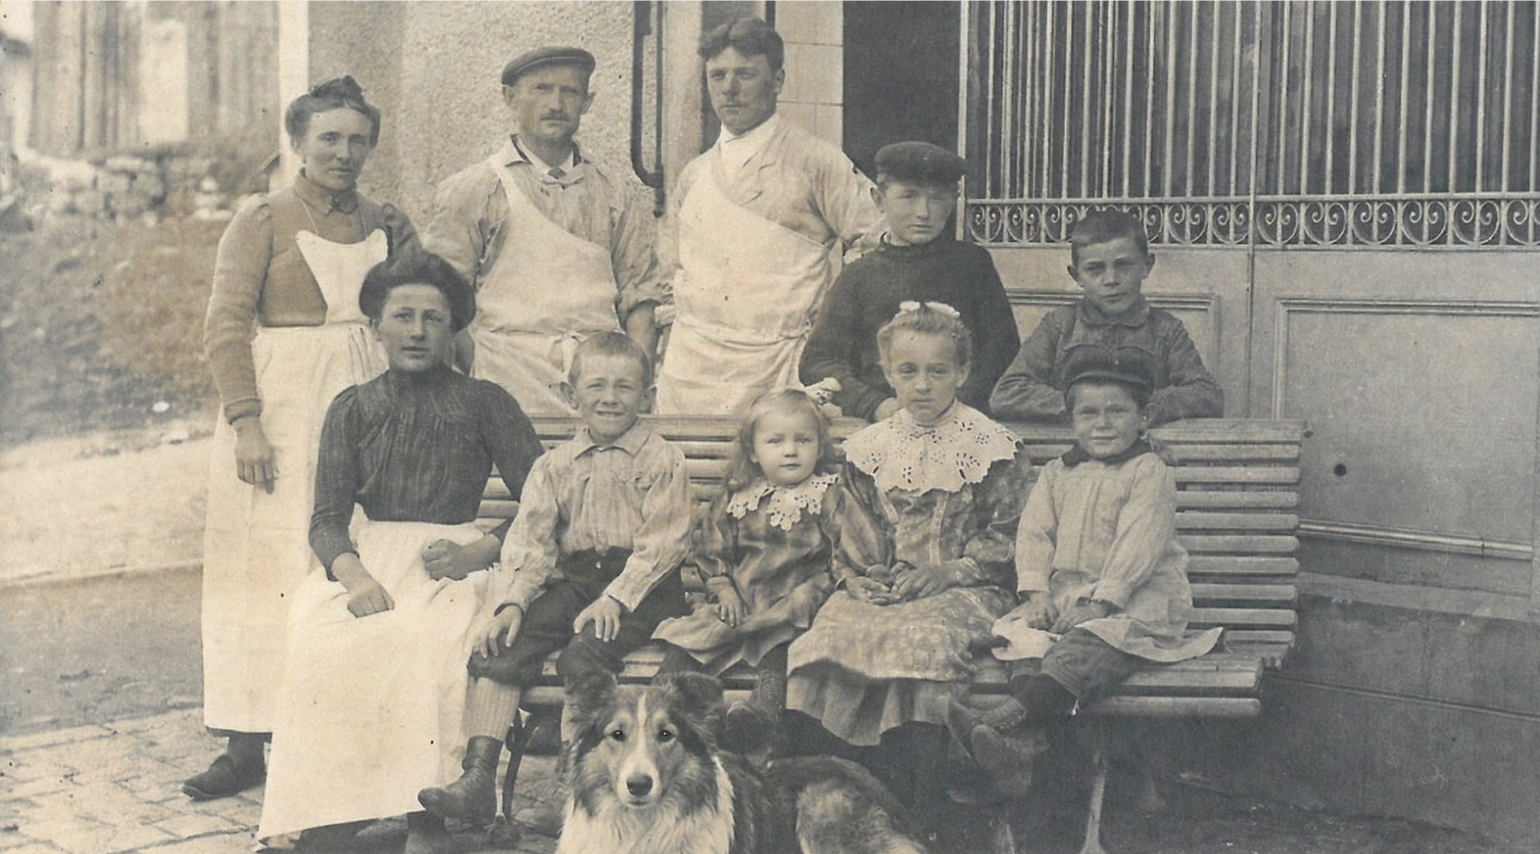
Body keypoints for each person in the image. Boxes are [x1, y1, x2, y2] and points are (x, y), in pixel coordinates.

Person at [254, 253, 544, 852]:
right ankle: (334, 807)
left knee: (428, 638)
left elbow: (547, 504)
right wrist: (355, 577)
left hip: (454, 562)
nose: (417, 332)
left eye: (433, 319)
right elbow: (327, 521)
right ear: (375, 327)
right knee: (318, 632)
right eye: (402, 316)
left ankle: (426, 811)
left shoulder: (485, 401)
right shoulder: (353, 407)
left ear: (452, 328)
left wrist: (478, 552)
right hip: (372, 560)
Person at [191, 76, 419, 801]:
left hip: (372, 395)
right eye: (329, 138)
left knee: (359, 548)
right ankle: (245, 739)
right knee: (266, 562)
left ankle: (343, 730)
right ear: (297, 142)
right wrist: (246, 421)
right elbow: (225, 325)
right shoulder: (262, 219)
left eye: (358, 140)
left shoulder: (388, 221)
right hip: (285, 406)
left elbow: (426, 302)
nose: (343, 153)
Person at [415, 332, 692, 837]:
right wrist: (513, 603)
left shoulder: (662, 460)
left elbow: (664, 543)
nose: (610, 397)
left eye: (625, 387)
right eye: (596, 385)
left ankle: (574, 790)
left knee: (584, 652)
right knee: (503, 644)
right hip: (579, 582)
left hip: (644, 590)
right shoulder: (554, 466)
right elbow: (532, 541)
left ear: (647, 397)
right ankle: (478, 778)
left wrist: (616, 598)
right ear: (571, 395)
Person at [785, 302, 1033, 812]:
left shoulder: (990, 447)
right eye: (908, 371)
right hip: (887, 589)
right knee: (826, 637)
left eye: (938, 371)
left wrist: (949, 571)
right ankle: (829, 798)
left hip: (968, 588)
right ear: (887, 372)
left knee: (922, 640)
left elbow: (1010, 534)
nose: (922, 385)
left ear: (962, 372)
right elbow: (850, 530)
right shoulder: (868, 448)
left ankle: (922, 805)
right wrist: (858, 577)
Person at [949, 350, 1222, 792]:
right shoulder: (1057, 473)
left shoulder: (1149, 471)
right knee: (1024, 640)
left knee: (1085, 649)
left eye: (1117, 411)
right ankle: (1020, 744)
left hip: (1133, 603)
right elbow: (1034, 534)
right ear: (1071, 420)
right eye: (1089, 413)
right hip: (1066, 600)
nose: (1103, 424)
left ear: (1143, 417)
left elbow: (1139, 543)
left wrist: (1101, 603)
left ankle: (1002, 722)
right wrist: (1036, 593)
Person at [654, 15, 882, 417]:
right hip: (690, 372)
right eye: (718, 75)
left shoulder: (816, 161)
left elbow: (878, 240)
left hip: (777, 369)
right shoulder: (694, 174)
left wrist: (833, 323)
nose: (729, 88)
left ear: (777, 81)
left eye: (745, 74)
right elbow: (669, 273)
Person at [425, 47, 663, 415]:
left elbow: (640, 298)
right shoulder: (473, 190)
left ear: (587, 102)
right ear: (510, 97)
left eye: (570, 92)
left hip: (597, 389)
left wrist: (632, 385)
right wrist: (478, 369)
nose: (556, 104)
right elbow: (442, 299)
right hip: (504, 380)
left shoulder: (615, 193)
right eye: (541, 89)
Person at [651, 390, 885, 752]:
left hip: (798, 597)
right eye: (776, 441)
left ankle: (762, 713)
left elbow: (852, 546)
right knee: (696, 636)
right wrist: (724, 589)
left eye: (803, 440)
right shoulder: (738, 496)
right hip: (744, 597)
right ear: (753, 452)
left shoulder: (828, 494)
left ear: (819, 448)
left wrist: (850, 578)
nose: (790, 451)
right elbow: (713, 550)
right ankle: (665, 707)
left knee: (786, 639)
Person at [800, 141, 1018, 421]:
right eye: (908, 196)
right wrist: (874, 404)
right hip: (883, 422)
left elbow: (1002, 349)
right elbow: (818, 361)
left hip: (960, 418)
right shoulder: (859, 275)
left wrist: (957, 404)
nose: (923, 212)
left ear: (954, 199)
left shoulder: (973, 265)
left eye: (937, 198)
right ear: (879, 200)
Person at [989, 209, 1223, 426]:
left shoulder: (1165, 330)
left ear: (1146, 265)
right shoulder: (1060, 325)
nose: (1111, 280)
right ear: (1076, 275)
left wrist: (1143, 405)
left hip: (1141, 446)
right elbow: (1007, 393)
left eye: (1123, 266)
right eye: (1095, 269)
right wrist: (1080, 405)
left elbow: (1207, 394)